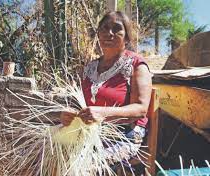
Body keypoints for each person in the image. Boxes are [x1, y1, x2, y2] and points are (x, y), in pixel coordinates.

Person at [60, 11, 152, 164]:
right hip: (91, 133)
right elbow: (80, 103)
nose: (109, 33)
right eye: (104, 28)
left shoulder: (136, 64)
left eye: (116, 28)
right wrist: (69, 115)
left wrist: (103, 113)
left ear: (127, 37)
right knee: (49, 153)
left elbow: (141, 109)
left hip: (124, 136)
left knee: (84, 165)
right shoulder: (89, 68)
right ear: (98, 34)